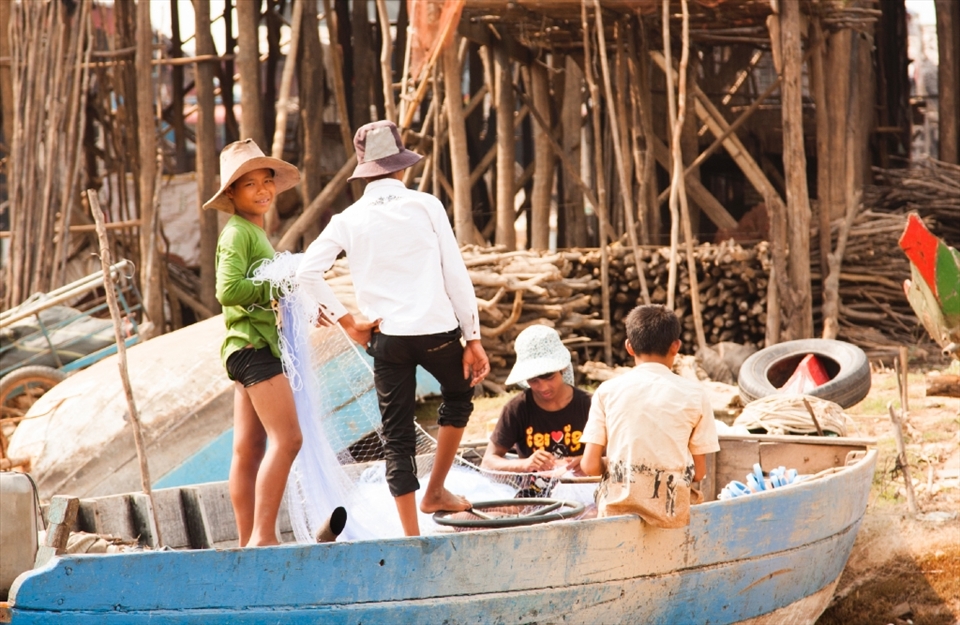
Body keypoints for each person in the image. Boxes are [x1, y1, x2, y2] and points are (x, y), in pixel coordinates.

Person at [295, 120, 490, 537]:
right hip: (436, 333)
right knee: (458, 395)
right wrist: (472, 339)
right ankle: (435, 489)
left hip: (387, 339)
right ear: (401, 167)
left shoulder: (348, 218)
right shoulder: (425, 205)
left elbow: (307, 271)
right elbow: (455, 275)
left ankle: (410, 537)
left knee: (396, 437)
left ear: (364, 169)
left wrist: (350, 323)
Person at [205, 139, 306, 547]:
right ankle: (263, 538)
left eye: (267, 181)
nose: (263, 190)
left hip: (244, 346)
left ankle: (248, 539)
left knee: (249, 448)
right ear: (231, 192)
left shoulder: (252, 232)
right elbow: (227, 290)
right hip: (253, 349)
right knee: (289, 439)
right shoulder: (238, 234)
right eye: (250, 185)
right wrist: (272, 289)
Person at [580, 305, 720, 528]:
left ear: (629, 347)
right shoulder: (695, 394)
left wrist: (615, 464)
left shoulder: (607, 391)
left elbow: (589, 466)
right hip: (671, 516)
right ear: (676, 347)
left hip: (615, 515)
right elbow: (699, 473)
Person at [481, 325, 591, 477]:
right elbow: (487, 462)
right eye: (534, 380)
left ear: (563, 368)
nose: (543, 387)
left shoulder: (589, 405)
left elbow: (618, 456)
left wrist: (588, 461)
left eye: (549, 377)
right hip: (535, 496)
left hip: (584, 491)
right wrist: (524, 464)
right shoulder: (517, 408)